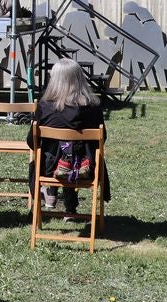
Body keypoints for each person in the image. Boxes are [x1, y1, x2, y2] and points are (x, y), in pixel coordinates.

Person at [26, 58, 108, 215]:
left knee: (45, 159)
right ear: (80, 79)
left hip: (49, 169)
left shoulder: (45, 107)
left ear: (54, 80)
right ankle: (70, 208)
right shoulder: (93, 107)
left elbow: (31, 142)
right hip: (86, 168)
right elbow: (102, 139)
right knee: (75, 152)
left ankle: (42, 201)